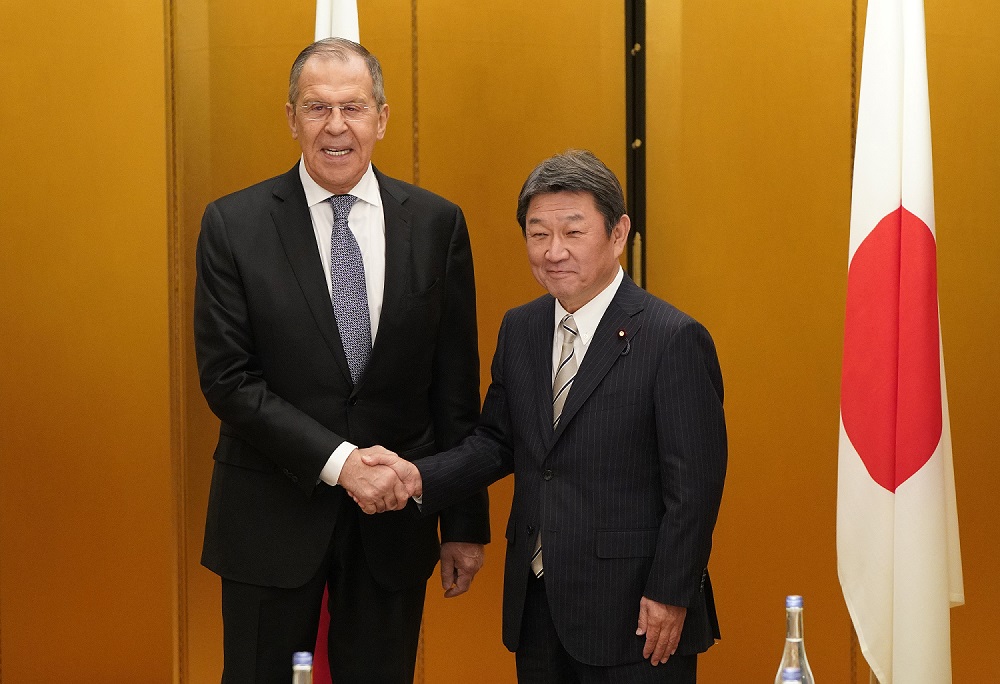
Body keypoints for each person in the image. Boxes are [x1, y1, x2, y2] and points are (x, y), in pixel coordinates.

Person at [363, 150, 727, 682]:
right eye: (538, 234)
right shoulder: (521, 329)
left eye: (573, 232)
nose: (553, 251)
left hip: (637, 615)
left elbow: (694, 488)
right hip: (538, 605)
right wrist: (418, 476)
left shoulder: (672, 339)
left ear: (618, 232)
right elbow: (495, 441)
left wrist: (670, 594)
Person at [193, 37, 489, 683]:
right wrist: (341, 464)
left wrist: (463, 522)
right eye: (316, 107)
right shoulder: (232, 225)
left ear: (381, 118)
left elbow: (454, 384)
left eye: (352, 107)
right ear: (292, 118)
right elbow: (228, 380)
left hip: (394, 526)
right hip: (269, 518)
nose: (335, 126)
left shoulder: (438, 224)